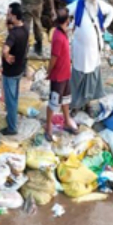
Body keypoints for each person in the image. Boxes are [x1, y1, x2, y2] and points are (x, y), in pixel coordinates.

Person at [67, 0, 113, 110]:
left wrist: (104, 26)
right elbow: (65, 12)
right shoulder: (78, 5)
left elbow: (112, 11)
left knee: (91, 77)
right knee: (78, 77)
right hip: (80, 51)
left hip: (94, 51)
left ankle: (87, 102)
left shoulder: (99, 4)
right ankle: (75, 105)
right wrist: (69, 26)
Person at [46, 9, 76, 141]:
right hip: (58, 76)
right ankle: (48, 127)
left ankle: (67, 121)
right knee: (53, 103)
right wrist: (49, 71)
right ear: (67, 21)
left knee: (65, 100)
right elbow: (54, 57)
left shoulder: (62, 33)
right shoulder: (58, 37)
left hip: (65, 75)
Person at [0, 3, 29, 136]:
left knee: (10, 100)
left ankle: (12, 127)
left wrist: (6, 55)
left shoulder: (14, 35)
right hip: (19, 68)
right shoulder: (25, 29)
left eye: (10, 14)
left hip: (10, 72)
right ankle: (12, 119)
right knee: (15, 97)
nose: (8, 15)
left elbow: (5, 49)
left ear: (16, 16)